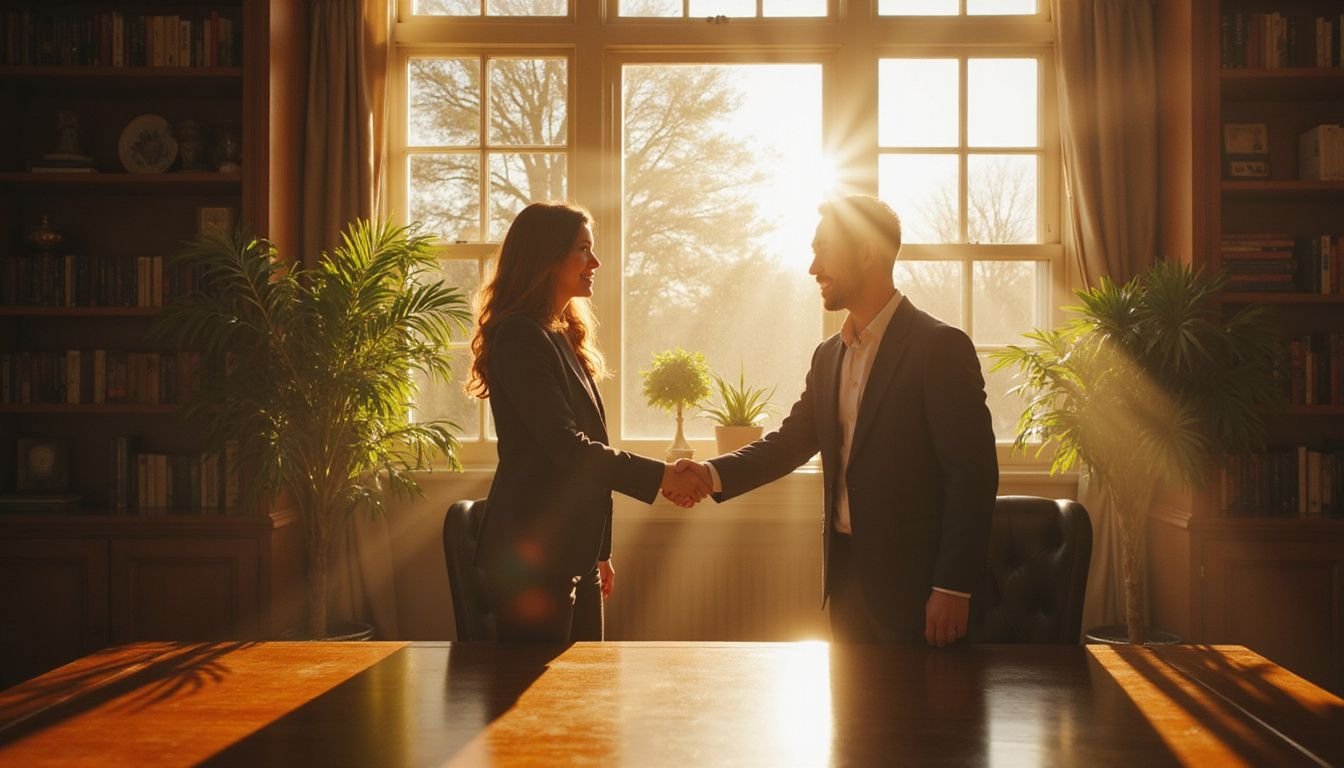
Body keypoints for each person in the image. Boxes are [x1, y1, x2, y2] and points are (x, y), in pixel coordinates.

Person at [674, 195, 998, 647]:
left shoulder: (939, 347)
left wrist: (953, 587)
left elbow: (972, 474)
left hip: (922, 593)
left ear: (867, 253)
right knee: (851, 698)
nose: (813, 268)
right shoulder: (827, 356)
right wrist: (710, 473)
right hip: (846, 583)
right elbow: (791, 441)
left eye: (823, 250)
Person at [468, 202, 708, 643]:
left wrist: (600, 550)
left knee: (585, 678)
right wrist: (661, 476)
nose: (594, 262)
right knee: (545, 686)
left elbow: (588, 449)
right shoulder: (521, 336)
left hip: (570, 552)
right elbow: (568, 448)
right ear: (545, 257)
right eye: (582, 250)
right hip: (533, 556)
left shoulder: (558, 335)